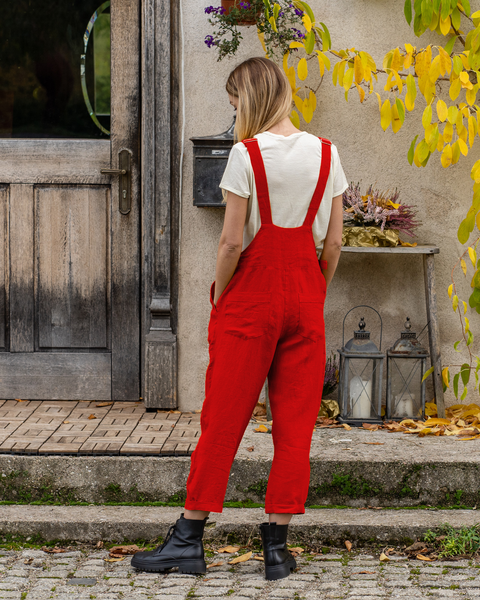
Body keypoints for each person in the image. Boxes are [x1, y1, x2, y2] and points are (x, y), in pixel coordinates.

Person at [132, 56, 348, 581]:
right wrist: (314, 288)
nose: (234, 117)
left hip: (250, 301)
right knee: (295, 428)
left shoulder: (245, 156)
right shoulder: (327, 154)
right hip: (306, 297)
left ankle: (188, 539)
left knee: (223, 419)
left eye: (235, 106)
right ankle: (276, 550)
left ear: (249, 101)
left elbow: (231, 241)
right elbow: (336, 241)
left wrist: (221, 294)